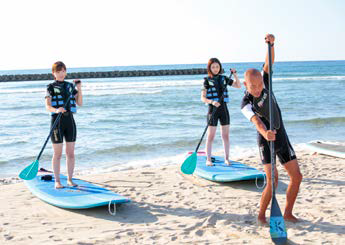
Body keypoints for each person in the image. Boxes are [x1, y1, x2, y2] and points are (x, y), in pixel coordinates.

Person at [241, 34, 303, 224]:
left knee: (297, 177)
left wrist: (272, 44)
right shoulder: (245, 103)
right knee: (273, 181)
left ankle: (287, 213)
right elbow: (256, 122)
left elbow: (268, 62)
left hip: (281, 136)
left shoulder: (266, 81)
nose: (258, 88)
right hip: (265, 141)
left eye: (260, 84)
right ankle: (261, 215)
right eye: (254, 86)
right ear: (245, 85)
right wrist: (265, 133)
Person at [45, 61, 83, 189]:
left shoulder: (70, 87)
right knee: (57, 154)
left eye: (63, 71)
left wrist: (80, 89)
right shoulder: (50, 87)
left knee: (70, 153)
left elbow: (80, 103)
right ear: (53, 73)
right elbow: (48, 106)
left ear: (65, 72)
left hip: (70, 121)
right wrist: (56, 110)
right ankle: (57, 181)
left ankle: (70, 179)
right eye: (58, 71)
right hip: (57, 121)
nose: (61, 74)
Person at [201, 58, 241, 166]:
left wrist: (235, 74)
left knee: (225, 136)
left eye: (217, 67)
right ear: (209, 68)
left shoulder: (224, 78)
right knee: (211, 136)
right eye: (213, 67)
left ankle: (227, 158)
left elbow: (238, 86)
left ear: (220, 67)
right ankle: (208, 159)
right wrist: (212, 102)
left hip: (224, 110)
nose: (215, 69)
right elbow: (203, 98)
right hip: (212, 110)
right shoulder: (206, 80)